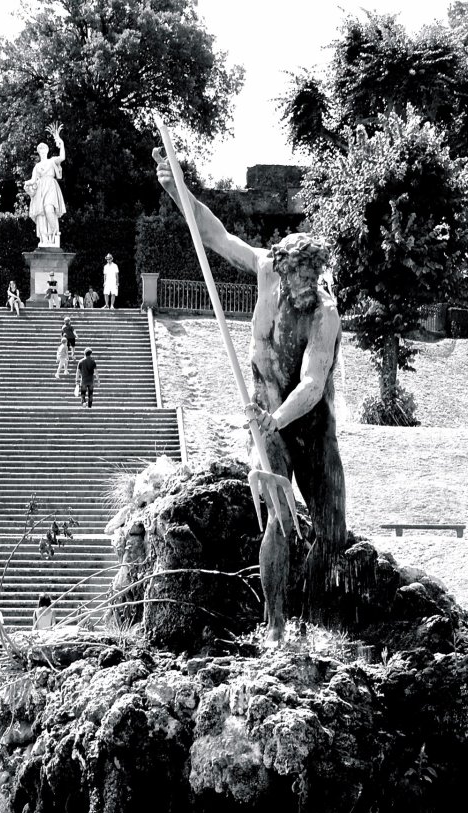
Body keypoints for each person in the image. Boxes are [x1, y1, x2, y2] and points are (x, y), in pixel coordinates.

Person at [154, 147, 347, 641]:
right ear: (281, 269)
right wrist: (178, 189)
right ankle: (277, 627)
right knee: (278, 516)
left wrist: (278, 419)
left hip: (307, 416)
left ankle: (322, 624)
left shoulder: (324, 314)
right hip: (264, 411)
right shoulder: (265, 270)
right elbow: (215, 235)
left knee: (333, 527)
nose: (306, 287)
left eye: (314, 279)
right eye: (299, 278)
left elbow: (312, 382)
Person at [23, 122, 66, 247]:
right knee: (42, 215)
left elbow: (62, 157)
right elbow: (32, 180)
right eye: (40, 149)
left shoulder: (52, 161)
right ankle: (46, 239)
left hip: (51, 186)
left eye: (44, 148)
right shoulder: (37, 166)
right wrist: (26, 184)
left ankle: (55, 233)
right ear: (38, 152)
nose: (42, 151)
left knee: (48, 209)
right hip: (41, 189)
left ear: (47, 150)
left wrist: (61, 142)